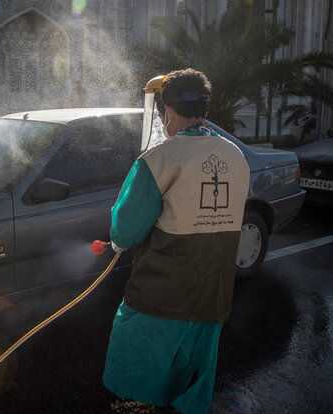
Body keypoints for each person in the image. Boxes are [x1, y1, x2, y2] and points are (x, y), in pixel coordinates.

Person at [103, 69, 250, 414]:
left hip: (163, 293)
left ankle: (143, 403)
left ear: (167, 111)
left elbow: (124, 230)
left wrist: (117, 240)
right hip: (213, 292)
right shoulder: (236, 157)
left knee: (145, 366)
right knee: (191, 374)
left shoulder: (159, 159)